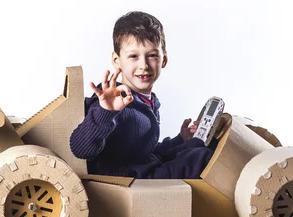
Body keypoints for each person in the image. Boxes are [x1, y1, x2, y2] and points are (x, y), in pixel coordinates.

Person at [69, 11, 215, 179]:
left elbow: (146, 151)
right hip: (129, 181)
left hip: (144, 167)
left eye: (152, 56)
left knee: (196, 145)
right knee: (200, 157)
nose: (143, 65)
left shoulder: (146, 100)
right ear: (117, 60)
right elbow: (80, 149)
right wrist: (105, 112)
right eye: (133, 56)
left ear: (164, 60)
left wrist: (180, 139)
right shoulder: (112, 100)